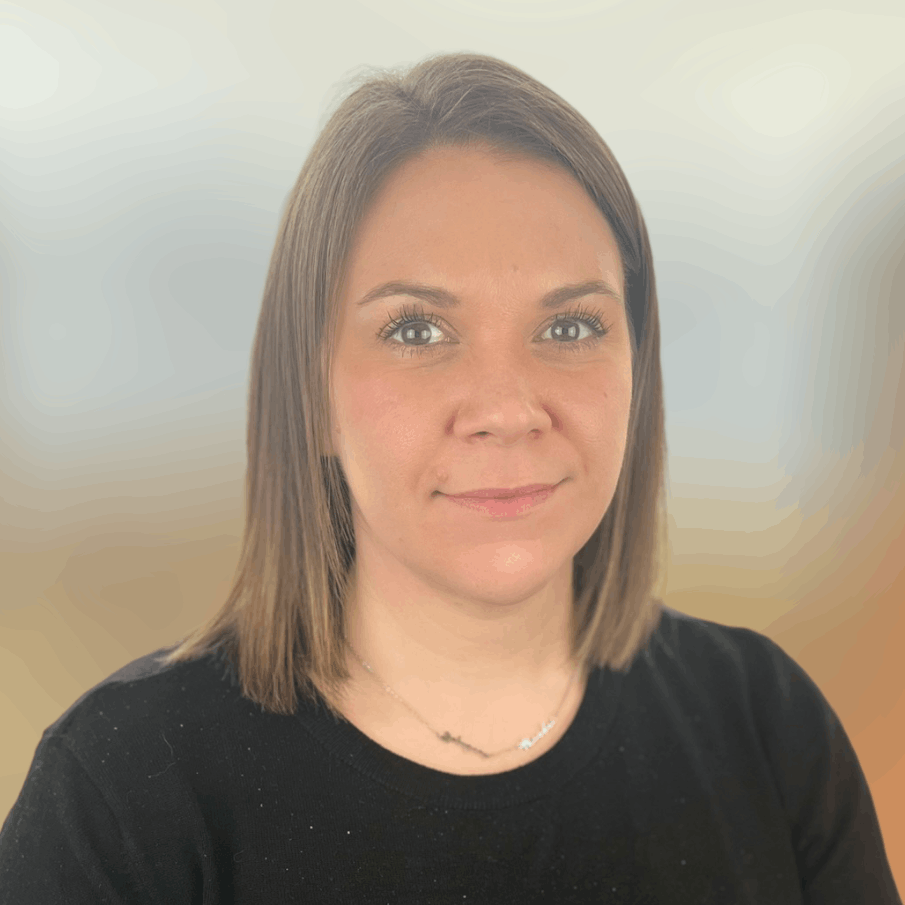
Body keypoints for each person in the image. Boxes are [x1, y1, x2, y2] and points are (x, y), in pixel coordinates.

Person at [0, 51, 900, 904]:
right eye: (418, 331)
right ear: (308, 392)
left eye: (571, 327)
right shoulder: (124, 789)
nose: (506, 408)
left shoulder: (767, 731)